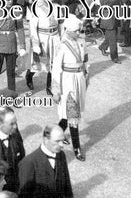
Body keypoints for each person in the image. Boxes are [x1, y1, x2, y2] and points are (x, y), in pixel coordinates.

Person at [51, 15, 88, 161]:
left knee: (68, 115)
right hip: (67, 82)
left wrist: (86, 77)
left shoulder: (81, 42)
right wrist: (56, 90)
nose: (79, 33)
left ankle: (54, 134)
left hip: (79, 80)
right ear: (68, 30)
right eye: (76, 31)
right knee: (73, 115)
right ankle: (77, 148)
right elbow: (55, 69)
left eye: (79, 30)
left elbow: (85, 61)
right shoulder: (62, 45)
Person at [18, 124, 73, 198]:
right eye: (57, 141)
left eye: (62, 140)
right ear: (46, 140)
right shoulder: (29, 162)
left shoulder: (61, 155)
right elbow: (24, 194)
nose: (61, 145)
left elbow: (67, 184)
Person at [26, 0, 61, 93]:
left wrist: (61, 38)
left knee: (54, 63)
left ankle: (49, 86)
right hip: (42, 37)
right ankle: (29, 75)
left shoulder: (56, 7)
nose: (51, 0)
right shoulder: (37, 8)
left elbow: (60, 23)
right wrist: (36, 44)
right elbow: (32, 27)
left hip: (54, 37)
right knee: (39, 63)